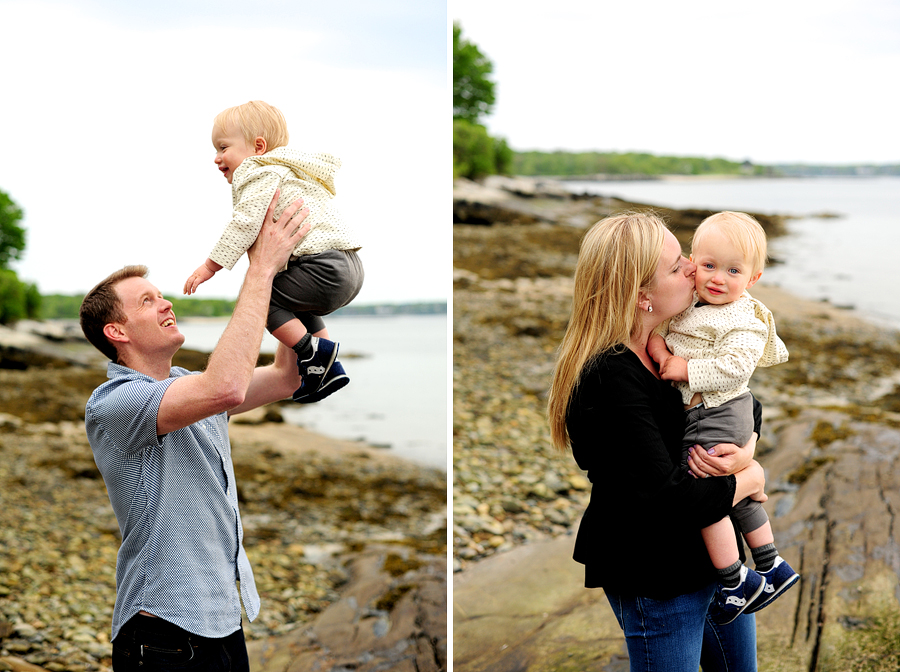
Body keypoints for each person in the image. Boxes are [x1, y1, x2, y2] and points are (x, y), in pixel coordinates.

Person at [80, 192, 310, 672]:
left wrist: (295, 284)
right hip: (162, 632)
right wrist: (259, 270)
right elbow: (226, 387)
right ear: (117, 333)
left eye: (160, 293)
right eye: (147, 301)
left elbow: (288, 376)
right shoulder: (115, 404)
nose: (166, 302)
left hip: (223, 620)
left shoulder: (188, 388)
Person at [547, 211, 769, 671]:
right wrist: (749, 479)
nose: (693, 267)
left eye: (685, 256)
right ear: (640, 294)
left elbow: (741, 399)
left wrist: (744, 451)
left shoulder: (668, 343)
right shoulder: (609, 378)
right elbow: (669, 499)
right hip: (657, 574)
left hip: (716, 560)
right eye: (676, 266)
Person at [647, 211, 798, 625]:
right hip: (717, 411)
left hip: (720, 409)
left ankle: (735, 581)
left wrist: (685, 369)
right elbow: (666, 334)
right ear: (693, 262)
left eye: (733, 270)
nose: (718, 278)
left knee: (707, 492)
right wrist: (661, 352)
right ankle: (770, 564)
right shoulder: (695, 306)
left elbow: (735, 369)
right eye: (709, 265)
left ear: (753, 279)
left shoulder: (743, 320)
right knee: (736, 491)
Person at [184, 100, 364, 404]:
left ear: (258, 146)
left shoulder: (258, 170)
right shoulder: (290, 171)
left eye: (223, 147)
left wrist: (210, 266)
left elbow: (245, 223)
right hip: (348, 267)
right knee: (295, 305)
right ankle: (326, 368)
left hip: (321, 267)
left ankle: (314, 353)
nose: (216, 158)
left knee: (260, 301)